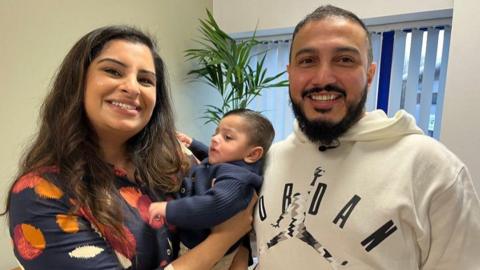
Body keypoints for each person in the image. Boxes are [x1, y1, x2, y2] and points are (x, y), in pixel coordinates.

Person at [1, 25, 255, 270]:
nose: (132, 87)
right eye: (113, 71)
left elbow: (238, 211)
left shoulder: (174, 155)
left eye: (145, 80)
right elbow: (233, 226)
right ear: (78, 83)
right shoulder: (40, 194)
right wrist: (223, 239)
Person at [254, 5, 480, 270]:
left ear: (370, 74)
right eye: (307, 61)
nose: (323, 77)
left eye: (344, 60)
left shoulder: (431, 168)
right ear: (290, 72)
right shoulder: (270, 159)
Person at [150, 108, 275, 270]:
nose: (215, 139)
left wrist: (169, 209)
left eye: (227, 137)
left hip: (206, 252)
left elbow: (213, 204)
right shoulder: (231, 162)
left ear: (252, 154)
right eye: (216, 133)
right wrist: (193, 144)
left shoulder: (237, 179)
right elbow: (211, 159)